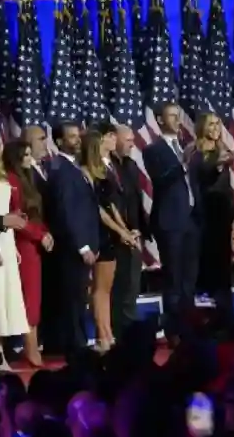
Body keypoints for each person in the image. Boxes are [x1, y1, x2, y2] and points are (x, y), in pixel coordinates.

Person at [142, 101, 202, 343]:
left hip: (191, 220)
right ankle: (173, 330)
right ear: (159, 120)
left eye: (178, 115)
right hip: (170, 221)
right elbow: (161, 180)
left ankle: (189, 326)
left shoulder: (186, 147)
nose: (178, 120)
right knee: (173, 279)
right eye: (172, 116)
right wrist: (183, 164)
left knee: (190, 279)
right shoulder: (152, 150)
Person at [83, 126, 139, 352]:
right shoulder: (87, 171)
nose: (114, 140)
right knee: (100, 288)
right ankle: (102, 335)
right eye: (109, 137)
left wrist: (126, 230)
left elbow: (112, 205)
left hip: (112, 234)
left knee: (106, 288)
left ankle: (107, 333)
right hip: (100, 232)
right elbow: (100, 210)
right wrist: (121, 231)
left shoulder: (105, 170)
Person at [48, 121, 100, 355]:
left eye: (78, 136)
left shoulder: (74, 168)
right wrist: (83, 246)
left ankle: (78, 343)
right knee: (72, 298)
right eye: (72, 137)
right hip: (72, 248)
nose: (78, 140)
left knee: (79, 296)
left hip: (84, 244)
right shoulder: (61, 170)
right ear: (59, 142)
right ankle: (75, 347)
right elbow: (67, 212)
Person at [188, 112, 234, 319]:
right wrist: (218, 165)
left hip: (223, 216)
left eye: (217, 123)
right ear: (202, 127)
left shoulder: (222, 151)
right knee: (211, 270)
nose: (215, 128)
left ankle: (227, 317)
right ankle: (216, 318)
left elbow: (227, 189)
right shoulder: (195, 154)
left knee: (224, 271)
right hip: (206, 219)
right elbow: (197, 186)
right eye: (210, 124)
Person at [3, 139, 52, 367]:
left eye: (30, 154)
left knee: (35, 296)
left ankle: (33, 345)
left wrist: (45, 233)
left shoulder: (28, 179)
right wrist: (39, 235)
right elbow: (18, 218)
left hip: (33, 242)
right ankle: (30, 348)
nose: (29, 158)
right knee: (29, 298)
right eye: (24, 154)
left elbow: (34, 214)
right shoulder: (11, 181)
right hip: (22, 244)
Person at [111, 125, 149, 340]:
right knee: (121, 286)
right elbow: (114, 203)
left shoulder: (132, 166)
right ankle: (121, 333)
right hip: (117, 235)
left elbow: (135, 201)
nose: (132, 144)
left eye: (133, 140)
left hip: (134, 234)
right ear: (114, 139)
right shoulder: (109, 167)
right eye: (128, 140)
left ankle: (129, 330)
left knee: (132, 286)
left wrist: (138, 231)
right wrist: (124, 231)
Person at [0, 135, 29, 371]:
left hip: (6, 241)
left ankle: (0, 353)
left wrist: (13, 245)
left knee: (5, 300)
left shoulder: (3, 176)